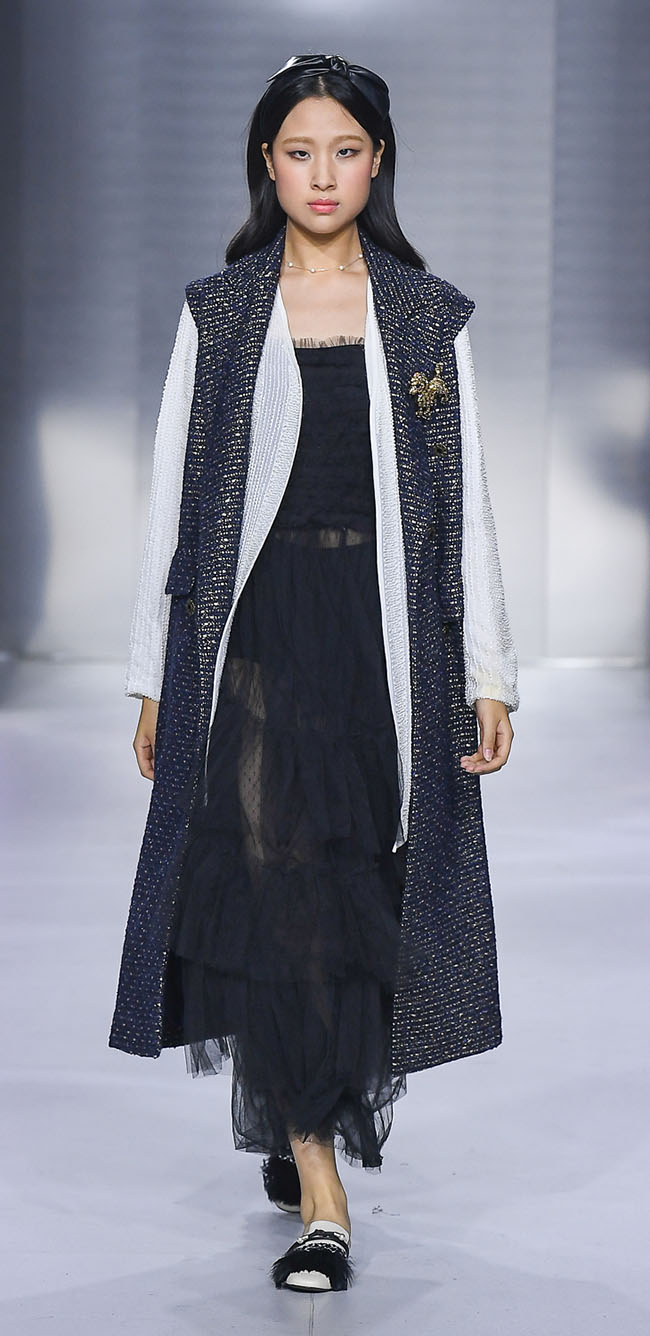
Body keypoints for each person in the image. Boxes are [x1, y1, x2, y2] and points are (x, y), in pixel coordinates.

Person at [110, 52, 519, 1293]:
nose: (322, 174)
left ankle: (306, 1106)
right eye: (299, 151)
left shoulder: (425, 315)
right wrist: (154, 674)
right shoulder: (222, 312)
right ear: (266, 163)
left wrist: (489, 671)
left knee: (357, 890)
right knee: (279, 890)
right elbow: (173, 499)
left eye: (344, 150)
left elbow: (463, 505)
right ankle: (322, 1192)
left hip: (381, 639)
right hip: (254, 638)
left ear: (377, 161)